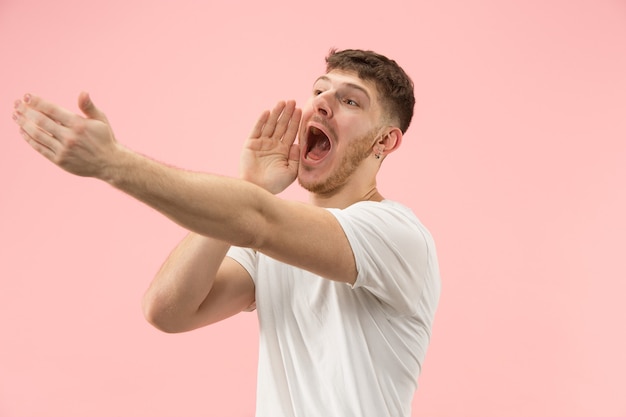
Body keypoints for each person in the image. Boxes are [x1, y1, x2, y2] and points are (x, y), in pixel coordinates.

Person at [12, 49, 441, 417]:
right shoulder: (269, 243)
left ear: (385, 141)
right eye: (320, 90)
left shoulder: (396, 234)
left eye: (349, 100)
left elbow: (257, 222)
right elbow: (167, 309)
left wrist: (114, 164)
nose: (322, 104)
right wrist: (250, 188)